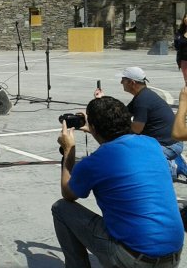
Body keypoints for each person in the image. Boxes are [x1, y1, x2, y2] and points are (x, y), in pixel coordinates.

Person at [53, 96, 183, 268]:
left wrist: (69, 150)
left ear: (94, 128)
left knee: (61, 208)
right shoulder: (151, 143)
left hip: (135, 259)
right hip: (173, 254)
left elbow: (68, 193)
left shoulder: (96, 161)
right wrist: (94, 128)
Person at [95, 66, 187, 178]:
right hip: (170, 142)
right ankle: (176, 162)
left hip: (168, 146)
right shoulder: (143, 95)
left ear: (132, 82)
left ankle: (172, 166)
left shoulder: (142, 101)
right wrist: (101, 100)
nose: (121, 82)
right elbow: (121, 114)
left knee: (130, 155)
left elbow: (136, 129)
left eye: (123, 80)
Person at [174, 13, 187, 83]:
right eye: (185, 17)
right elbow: (176, 45)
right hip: (184, 60)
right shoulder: (180, 32)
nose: (186, 18)